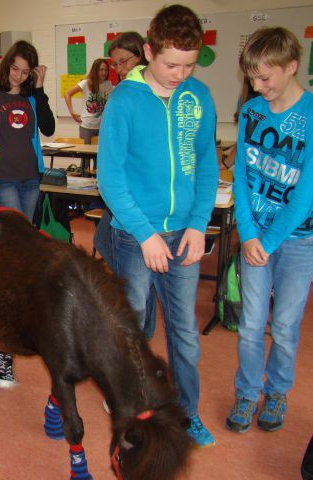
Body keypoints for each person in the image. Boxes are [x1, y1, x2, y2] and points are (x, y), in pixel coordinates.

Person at [97, 4, 218, 447]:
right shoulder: (125, 100)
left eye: (188, 65)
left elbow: (206, 166)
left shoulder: (198, 97)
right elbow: (110, 179)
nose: (179, 73)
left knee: (183, 331)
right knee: (137, 327)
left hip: (184, 233)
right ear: (148, 51)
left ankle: (188, 413)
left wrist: (198, 224)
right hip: (135, 235)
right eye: (170, 63)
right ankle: (131, 406)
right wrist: (145, 232)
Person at [225, 27, 313, 434]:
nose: (256, 86)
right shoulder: (253, 112)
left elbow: (306, 195)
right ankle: (248, 392)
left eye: (264, 78)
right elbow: (241, 177)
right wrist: (249, 234)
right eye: (252, 77)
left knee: (284, 325)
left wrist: (266, 242)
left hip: (299, 240)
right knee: (251, 323)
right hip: (256, 238)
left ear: (291, 67)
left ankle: (278, 391)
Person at [0, 40, 55, 396]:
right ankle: (2, 339)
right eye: (15, 69)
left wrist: (42, 89)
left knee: (25, 252)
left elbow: (48, 129)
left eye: (26, 72)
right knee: (12, 251)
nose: (19, 76)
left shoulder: (33, 96)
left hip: (30, 179)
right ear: (6, 66)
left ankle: (16, 323)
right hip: (2, 180)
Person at [99, 31, 158, 340]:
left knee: (135, 286)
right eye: (116, 64)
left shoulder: (143, 95)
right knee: (102, 241)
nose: (119, 70)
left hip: (137, 203)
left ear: (143, 55)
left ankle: (141, 336)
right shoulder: (123, 95)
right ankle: (142, 287)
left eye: (124, 62)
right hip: (120, 198)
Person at [63, 58, 111, 143]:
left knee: (100, 155)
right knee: (85, 154)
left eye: (106, 70)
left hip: (102, 127)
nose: (104, 72)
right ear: (95, 70)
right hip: (87, 127)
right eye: (101, 70)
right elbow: (67, 93)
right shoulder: (86, 83)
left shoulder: (108, 85)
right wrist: (72, 113)